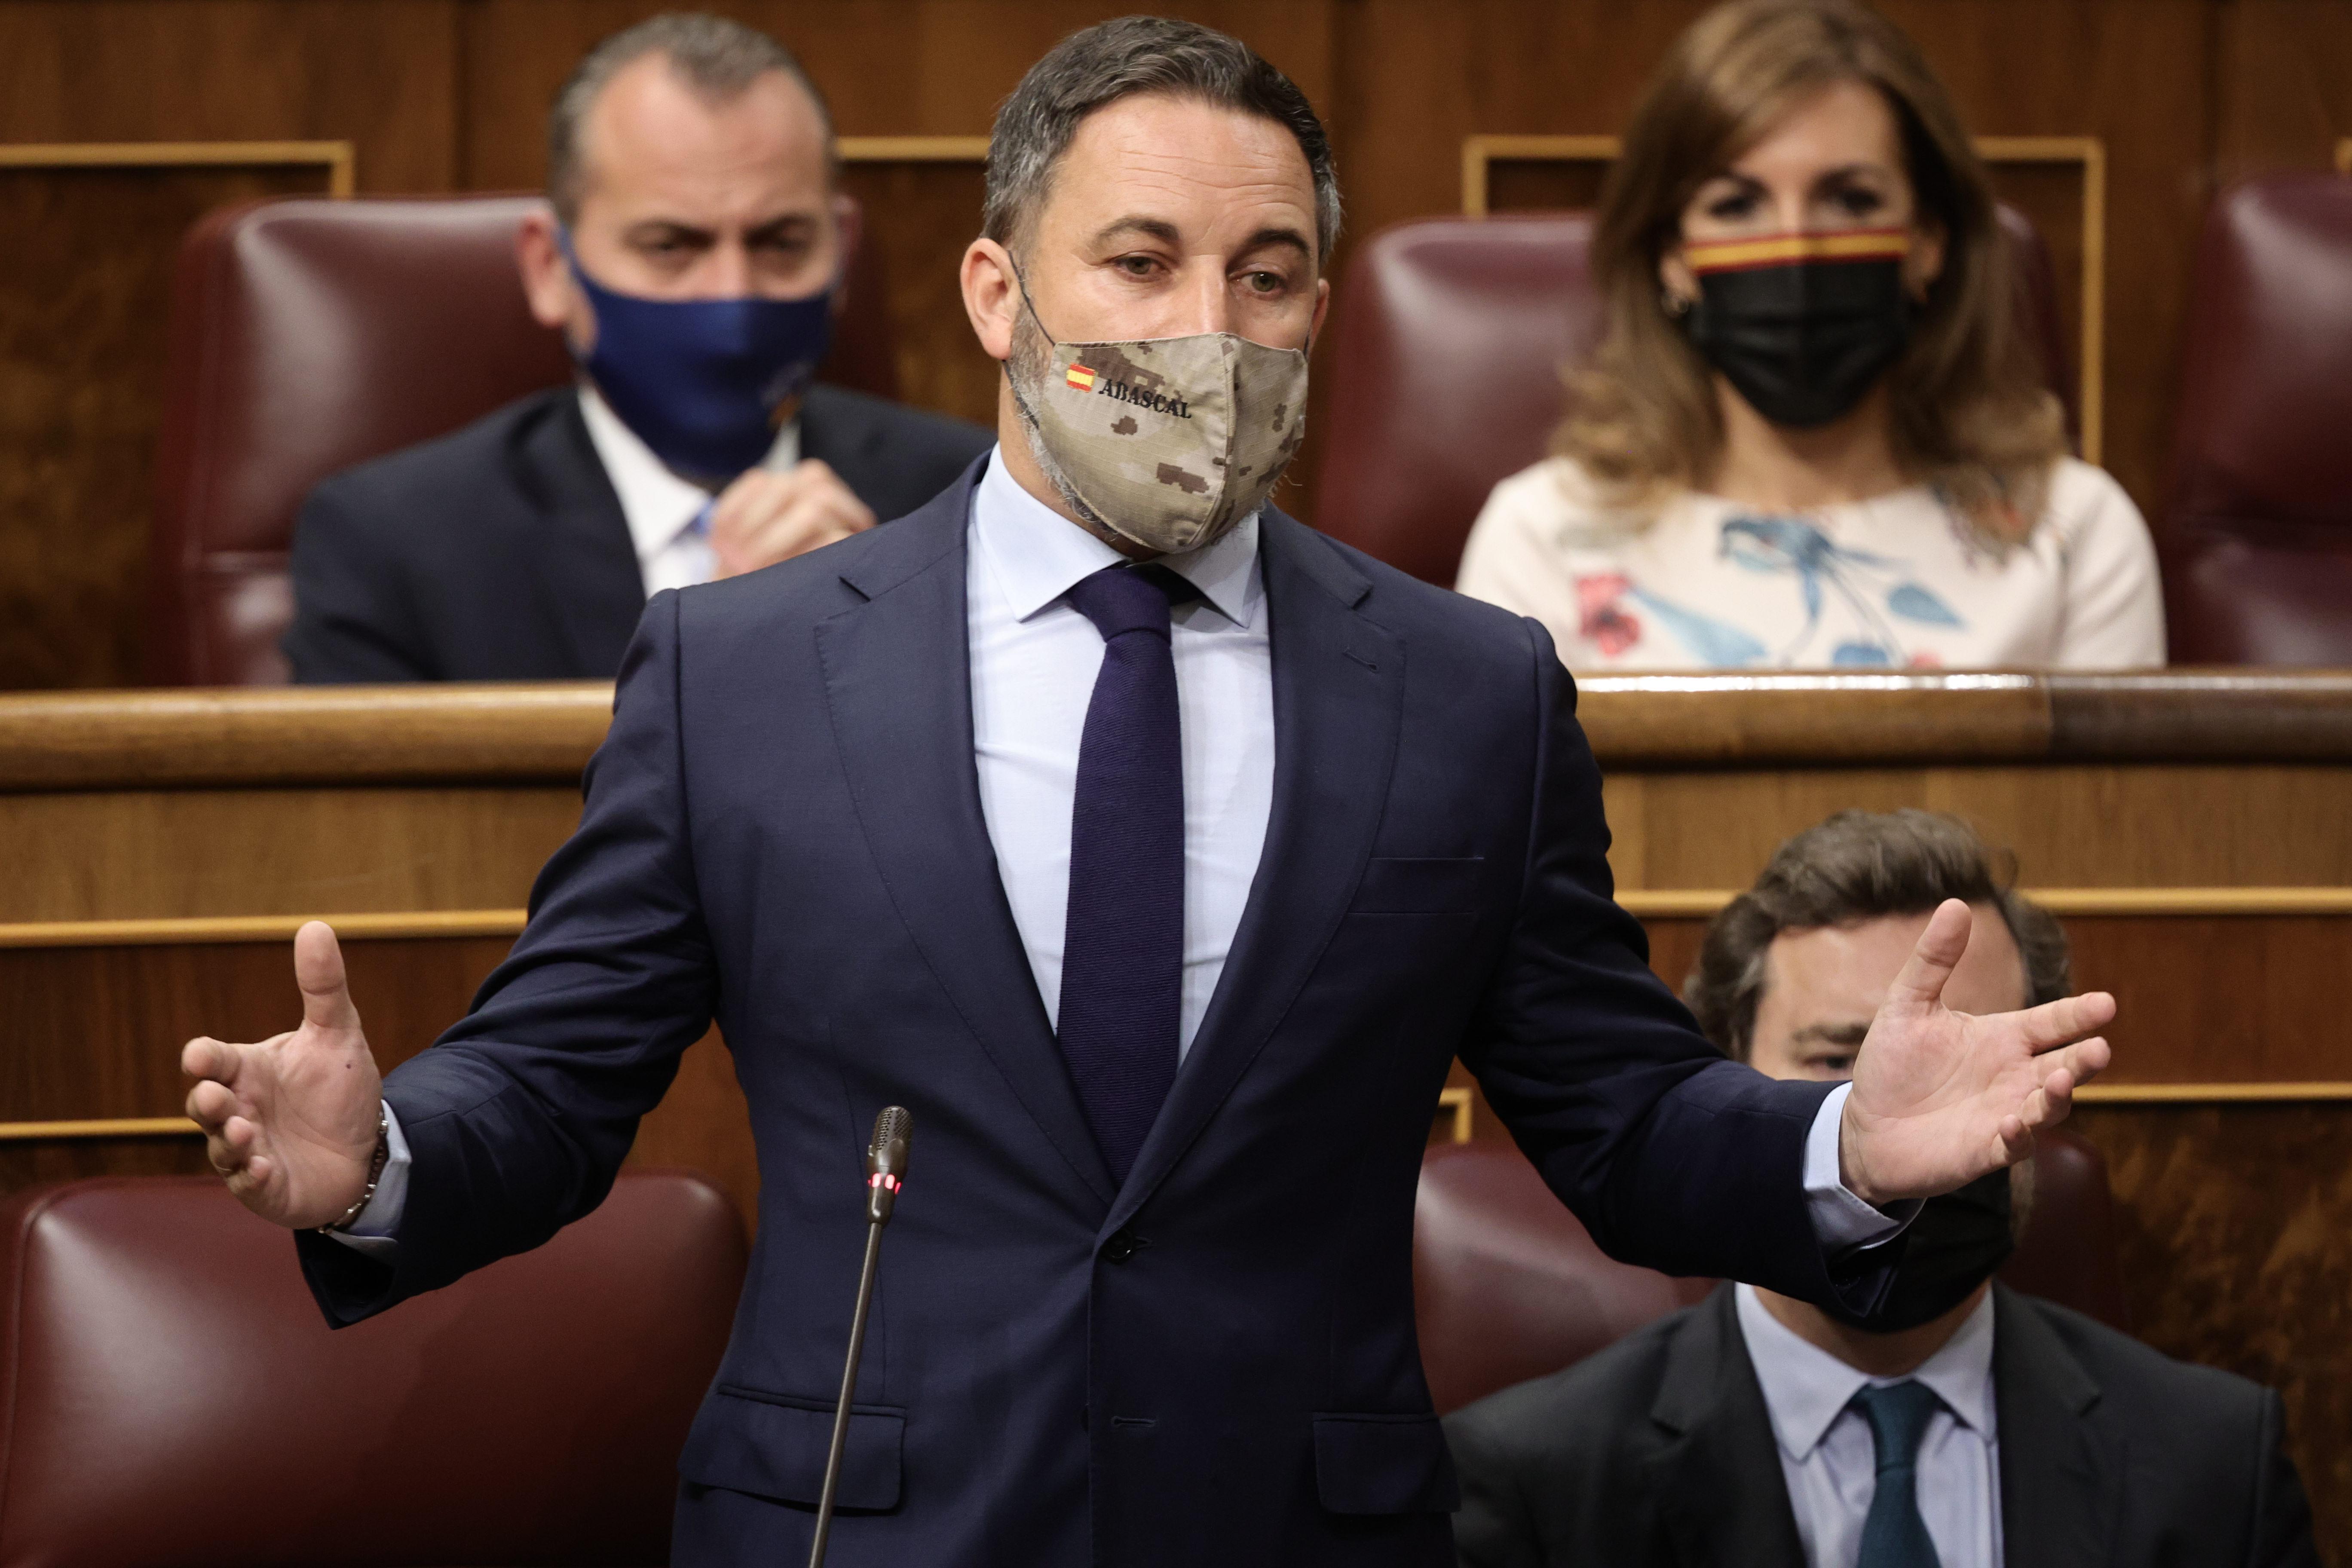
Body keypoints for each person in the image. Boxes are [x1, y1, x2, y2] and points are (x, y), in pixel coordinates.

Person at [184, 21, 2116, 1566]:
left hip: (1305, 1523)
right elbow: (558, 1078)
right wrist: (385, 1161)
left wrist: (1836, 1150)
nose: (1210, 325)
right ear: (999, 293)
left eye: (1268, 274)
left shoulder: (1467, 692)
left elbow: (1614, 1123)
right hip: (868, 1529)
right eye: (1142, 261)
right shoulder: (743, 672)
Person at [1446, 810, 2318, 1568]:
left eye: (1966, 1062)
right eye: (1838, 1062)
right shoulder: (1539, 1482)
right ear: (1723, 1081)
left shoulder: (2215, 1464)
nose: (1913, 1126)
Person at [1455, 0, 2163, 672]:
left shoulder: (2075, 535)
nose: (1796, 250)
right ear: (1672, 256)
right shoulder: (1541, 540)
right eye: (1737, 205)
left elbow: (2108, 807)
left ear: (1928, 242)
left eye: (1851, 200)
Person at [283, 13, 991, 683]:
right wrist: (735, 644)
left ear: (842, 255)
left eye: (782, 244)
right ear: (549, 268)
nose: (731, 298)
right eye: (669, 246)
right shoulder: (393, 546)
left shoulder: (974, 499)